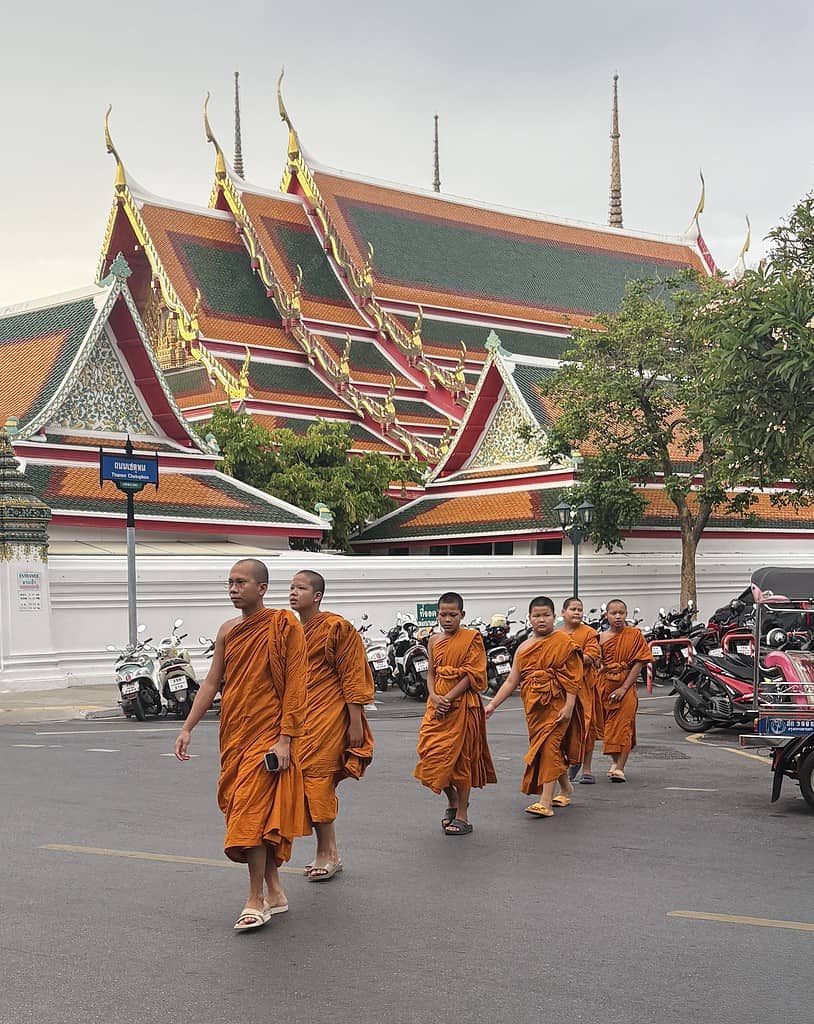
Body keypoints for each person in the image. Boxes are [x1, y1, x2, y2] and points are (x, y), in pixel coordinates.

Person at [174, 559, 309, 932]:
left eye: (241, 582)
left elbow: (296, 685)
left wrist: (285, 740)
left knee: (251, 814)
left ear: (261, 588)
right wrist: (187, 728)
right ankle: (276, 890)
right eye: (229, 583)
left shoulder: (284, 626)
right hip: (235, 735)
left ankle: (255, 899)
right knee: (252, 814)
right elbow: (212, 682)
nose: (233, 589)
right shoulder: (228, 630)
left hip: (269, 736)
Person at [289, 570, 374, 880]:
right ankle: (324, 850)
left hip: (329, 717)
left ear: (318, 596)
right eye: (292, 587)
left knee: (318, 780)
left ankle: (329, 853)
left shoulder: (337, 628)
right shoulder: (290, 630)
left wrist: (355, 723)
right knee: (302, 782)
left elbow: (352, 676)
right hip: (299, 718)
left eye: (301, 588)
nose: (294, 593)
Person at [485, 596, 583, 817]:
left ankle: (545, 802)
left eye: (546, 615)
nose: (541, 620)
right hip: (534, 709)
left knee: (549, 748)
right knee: (545, 750)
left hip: (557, 706)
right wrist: (492, 705)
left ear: (554, 616)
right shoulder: (524, 648)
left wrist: (569, 705)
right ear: (529, 619)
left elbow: (572, 678)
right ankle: (566, 787)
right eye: (537, 616)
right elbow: (512, 681)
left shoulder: (564, 643)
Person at [414, 592, 496, 835]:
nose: (447, 619)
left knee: (461, 761)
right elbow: (431, 673)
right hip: (437, 707)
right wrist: (434, 696)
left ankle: (463, 814)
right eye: (443, 614)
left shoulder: (472, 638)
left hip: (462, 706)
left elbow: (473, 674)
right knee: (429, 756)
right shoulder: (434, 640)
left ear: (462, 615)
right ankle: (453, 801)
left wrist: (448, 698)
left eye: (452, 615)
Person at [599, 598, 654, 783]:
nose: (617, 617)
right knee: (610, 729)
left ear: (626, 614)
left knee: (624, 727)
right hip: (605, 685)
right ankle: (615, 763)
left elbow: (639, 662)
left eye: (621, 613)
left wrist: (624, 687)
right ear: (606, 616)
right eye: (613, 613)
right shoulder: (600, 638)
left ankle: (620, 768)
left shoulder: (635, 635)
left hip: (626, 685)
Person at [558, 597, 602, 785]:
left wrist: (567, 658)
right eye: (573, 609)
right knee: (562, 727)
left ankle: (586, 768)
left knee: (586, 727)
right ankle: (565, 764)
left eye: (579, 609)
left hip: (583, 687)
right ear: (563, 612)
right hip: (559, 687)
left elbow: (591, 656)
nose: (577, 612)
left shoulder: (589, 633)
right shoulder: (555, 633)